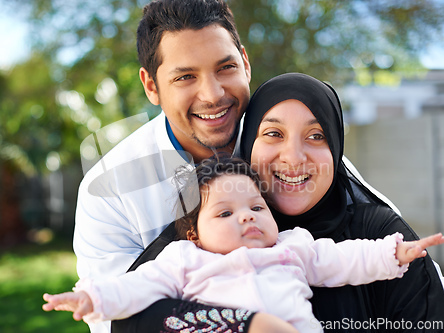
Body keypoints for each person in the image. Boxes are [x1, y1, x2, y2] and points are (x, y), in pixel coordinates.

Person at [44, 158, 444, 333]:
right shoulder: (183, 260)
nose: (247, 216)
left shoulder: (293, 247)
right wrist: (92, 298)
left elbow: (342, 258)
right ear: (194, 233)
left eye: (256, 206)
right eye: (225, 213)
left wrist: (392, 253)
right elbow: (135, 287)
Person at [73, 0, 253, 332]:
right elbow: (117, 319)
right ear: (151, 86)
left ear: (245, 63)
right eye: (185, 76)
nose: (212, 95)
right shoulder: (108, 191)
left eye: (225, 67)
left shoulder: (294, 147)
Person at [237, 72, 444, 331]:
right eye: (273, 133)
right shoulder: (214, 234)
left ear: (335, 148)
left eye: (316, 135)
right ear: (247, 144)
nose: (294, 157)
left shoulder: (380, 237)